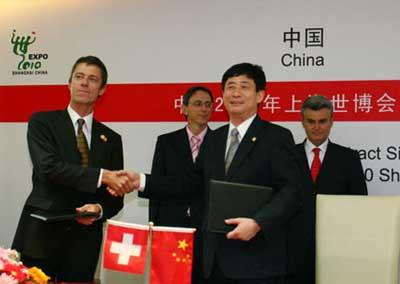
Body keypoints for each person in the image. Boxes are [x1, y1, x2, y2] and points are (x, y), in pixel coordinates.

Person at [115, 63, 301, 284]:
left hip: (257, 260)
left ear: (260, 95)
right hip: (213, 260)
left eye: (244, 86)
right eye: (230, 87)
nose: (236, 93)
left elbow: (291, 191)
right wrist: (142, 181)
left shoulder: (276, 137)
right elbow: (191, 183)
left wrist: (257, 222)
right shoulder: (214, 139)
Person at [12, 55, 131, 282]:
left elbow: (115, 197)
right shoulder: (42, 122)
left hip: (83, 243)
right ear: (69, 83)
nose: (85, 83)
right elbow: (48, 167)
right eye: (79, 77)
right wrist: (103, 176)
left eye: (93, 79)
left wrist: (98, 208)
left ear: (102, 89)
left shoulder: (112, 139)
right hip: (41, 235)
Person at [286, 95, 368, 284]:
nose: (317, 127)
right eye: (311, 121)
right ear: (302, 122)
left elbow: (359, 204)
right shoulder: (287, 157)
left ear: (331, 122)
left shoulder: (349, 158)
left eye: (322, 121)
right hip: (293, 250)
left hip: (336, 248)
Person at [141, 86, 213, 283]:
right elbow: (157, 184)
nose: (204, 109)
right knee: (170, 277)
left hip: (206, 227)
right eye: (197, 104)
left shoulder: (220, 142)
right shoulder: (166, 142)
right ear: (184, 108)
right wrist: (153, 226)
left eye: (208, 105)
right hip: (171, 225)